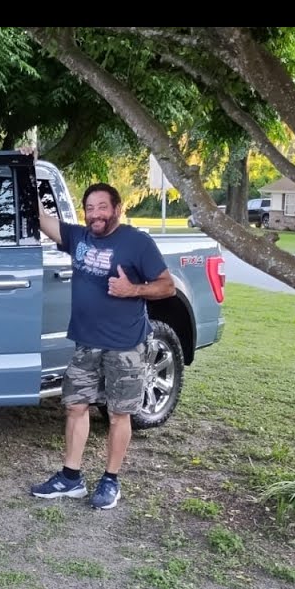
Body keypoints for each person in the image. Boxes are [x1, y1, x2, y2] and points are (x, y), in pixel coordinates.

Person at [22, 147, 176, 509]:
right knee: (76, 407)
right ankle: (71, 477)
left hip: (125, 345)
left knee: (119, 413)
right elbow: (41, 217)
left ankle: (110, 481)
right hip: (86, 344)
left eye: (102, 207)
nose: (95, 215)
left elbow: (166, 285)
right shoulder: (79, 237)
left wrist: (133, 290)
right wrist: (26, 168)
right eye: (90, 208)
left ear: (117, 209)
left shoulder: (136, 242)